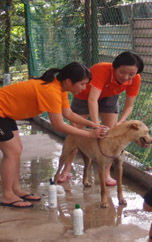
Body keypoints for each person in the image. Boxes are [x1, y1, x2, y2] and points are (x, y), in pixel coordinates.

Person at [0, 62, 107, 208]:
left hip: (5, 114)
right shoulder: (51, 90)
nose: (84, 88)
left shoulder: (60, 88)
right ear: (69, 81)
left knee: (16, 150)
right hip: (1, 112)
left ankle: (16, 189)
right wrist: (89, 134)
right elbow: (59, 125)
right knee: (11, 152)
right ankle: (7, 195)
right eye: (82, 84)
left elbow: (68, 113)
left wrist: (94, 125)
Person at [58, 51, 144, 186]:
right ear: (114, 67)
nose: (126, 77)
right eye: (122, 72)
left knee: (111, 134)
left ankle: (106, 173)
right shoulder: (102, 69)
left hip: (110, 97)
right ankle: (66, 169)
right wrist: (96, 125)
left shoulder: (136, 79)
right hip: (84, 96)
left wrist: (120, 123)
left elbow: (129, 106)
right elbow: (93, 99)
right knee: (75, 134)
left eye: (131, 74)